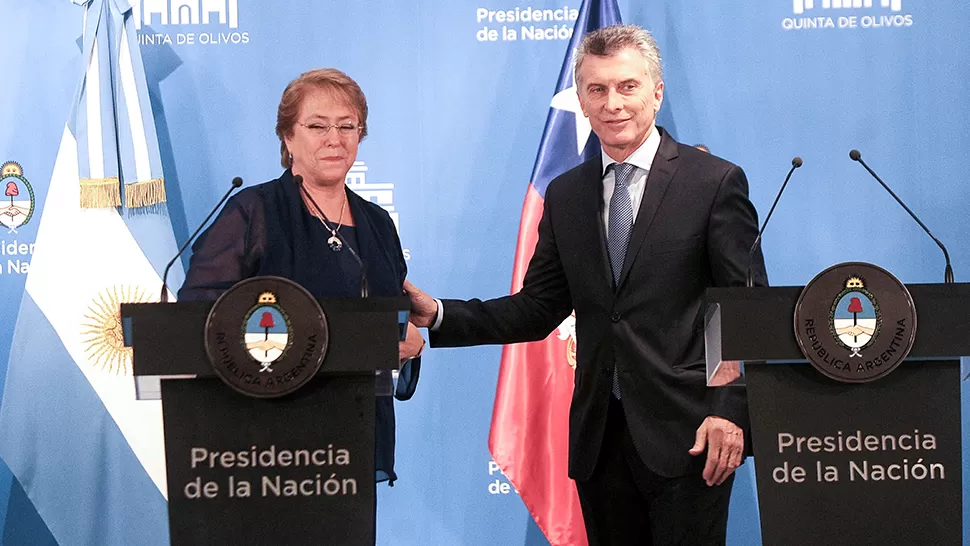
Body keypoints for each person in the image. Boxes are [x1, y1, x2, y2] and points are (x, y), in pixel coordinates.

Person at [405, 25, 767, 544]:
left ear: (656, 92)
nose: (613, 103)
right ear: (581, 99)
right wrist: (437, 314)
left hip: (692, 436)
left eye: (627, 86)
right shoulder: (567, 193)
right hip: (600, 442)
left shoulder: (713, 182)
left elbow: (744, 310)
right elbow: (537, 308)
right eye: (597, 90)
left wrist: (729, 414)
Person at [179, 68, 424, 485]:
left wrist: (409, 345)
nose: (335, 138)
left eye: (348, 126)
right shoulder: (253, 212)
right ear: (288, 137)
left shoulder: (378, 222)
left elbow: (390, 317)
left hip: (354, 435)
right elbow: (200, 316)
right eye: (317, 126)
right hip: (262, 440)